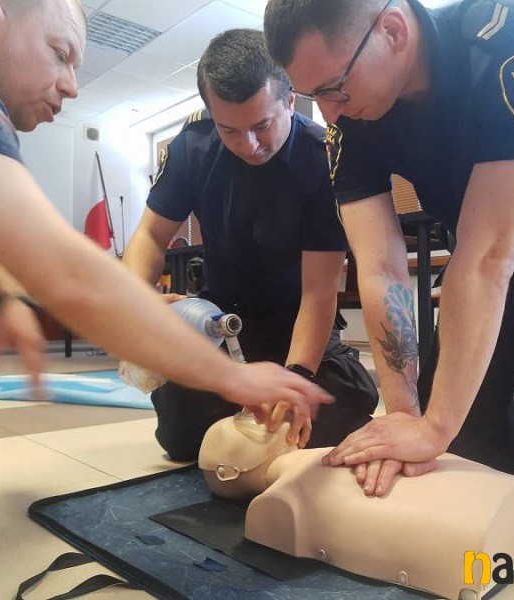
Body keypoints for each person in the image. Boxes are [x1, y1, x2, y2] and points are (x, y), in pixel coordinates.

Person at [0, 0, 333, 537]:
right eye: (60, 53)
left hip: (287, 314)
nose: (71, 85)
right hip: (228, 318)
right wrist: (232, 377)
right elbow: (66, 271)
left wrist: (5, 302)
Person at [264, 0, 514, 525]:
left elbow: (486, 256)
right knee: (457, 456)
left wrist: (434, 427)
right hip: (494, 274)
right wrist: (406, 418)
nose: (328, 114)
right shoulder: (353, 118)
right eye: (312, 96)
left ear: (392, 31)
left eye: (333, 88)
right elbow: (381, 268)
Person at [123, 28, 378, 462]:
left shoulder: (321, 159)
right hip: (223, 320)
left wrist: (295, 378)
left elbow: (319, 292)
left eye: (262, 126)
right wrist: (138, 306)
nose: (250, 145)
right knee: (181, 438)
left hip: (297, 318)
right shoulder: (193, 146)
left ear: (290, 101)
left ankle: (327, 378)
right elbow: (149, 236)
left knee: (329, 415)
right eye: (230, 130)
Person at [198, 412, 514, 600]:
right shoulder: (275, 502)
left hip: (491, 523)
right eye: (241, 425)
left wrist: (415, 426)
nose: (256, 419)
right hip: (488, 529)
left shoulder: (345, 448)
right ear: (228, 472)